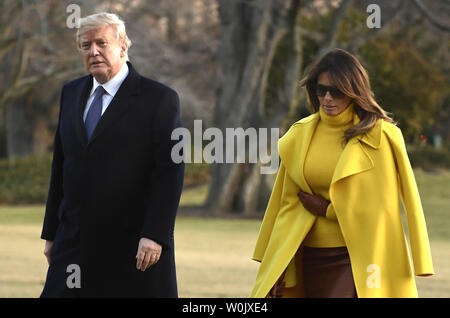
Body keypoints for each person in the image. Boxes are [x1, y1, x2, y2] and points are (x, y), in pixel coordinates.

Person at [251, 48, 434, 298]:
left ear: (354, 91)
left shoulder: (381, 136)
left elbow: (385, 205)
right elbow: (284, 203)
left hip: (357, 256)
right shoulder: (299, 134)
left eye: (336, 91)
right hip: (306, 254)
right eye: (320, 89)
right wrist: (274, 262)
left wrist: (327, 209)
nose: (327, 97)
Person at [40, 12, 184, 297]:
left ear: (122, 46)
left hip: (133, 246)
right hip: (74, 244)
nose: (93, 51)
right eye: (86, 45)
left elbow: (170, 172)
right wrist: (52, 232)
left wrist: (155, 234)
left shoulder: (159, 99)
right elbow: (61, 166)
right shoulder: (70, 93)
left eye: (101, 43)